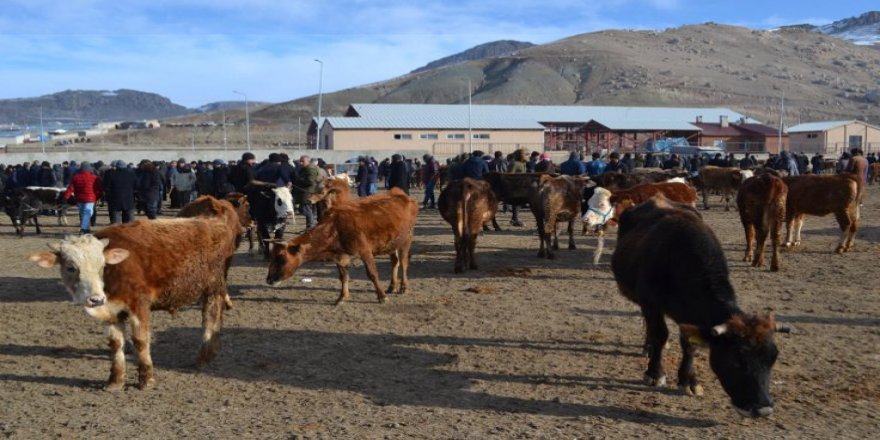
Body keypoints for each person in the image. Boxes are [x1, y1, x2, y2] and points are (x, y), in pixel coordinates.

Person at [63, 161, 102, 234]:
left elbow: (70, 188)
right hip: (91, 198)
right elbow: (99, 189)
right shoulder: (95, 178)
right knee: (87, 213)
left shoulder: (76, 177)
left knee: (82, 213)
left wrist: (66, 197)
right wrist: (97, 197)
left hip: (79, 199)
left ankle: (86, 228)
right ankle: (84, 229)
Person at [104, 160, 137, 224]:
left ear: (116, 166)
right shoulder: (131, 174)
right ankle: (128, 232)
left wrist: (109, 196)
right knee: (129, 221)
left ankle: (116, 232)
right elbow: (136, 186)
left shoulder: (110, 174)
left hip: (114, 199)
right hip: (128, 199)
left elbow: (106, 187)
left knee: (116, 221)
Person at [294, 155, 319, 229]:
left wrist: (299, 179)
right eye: (300, 161)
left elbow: (310, 181)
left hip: (307, 192)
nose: (301, 163)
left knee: (306, 209)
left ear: (308, 161)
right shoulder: (304, 168)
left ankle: (310, 226)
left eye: (303, 161)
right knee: (303, 209)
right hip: (303, 192)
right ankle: (310, 225)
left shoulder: (310, 169)